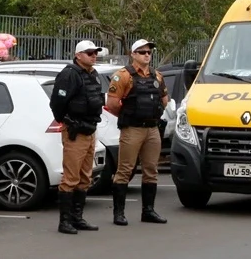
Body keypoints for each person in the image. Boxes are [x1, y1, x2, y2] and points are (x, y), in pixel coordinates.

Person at [105, 39, 169, 225]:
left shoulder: (157, 76)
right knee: (124, 170)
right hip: (132, 128)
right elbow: (112, 104)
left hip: (152, 129)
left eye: (149, 52)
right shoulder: (123, 76)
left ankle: (148, 211)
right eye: (142, 52)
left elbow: (164, 100)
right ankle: (119, 213)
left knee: (151, 170)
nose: (147, 55)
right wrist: (129, 116)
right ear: (133, 54)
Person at [48, 40, 106, 234]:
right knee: (71, 177)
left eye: (95, 53)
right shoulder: (69, 74)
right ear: (78, 55)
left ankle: (77, 218)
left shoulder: (93, 74)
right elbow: (57, 102)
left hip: (90, 129)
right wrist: (66, 121)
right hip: (76, 131)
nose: (93, 55)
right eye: (89, 53)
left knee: (85, 177)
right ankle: (64, 222)